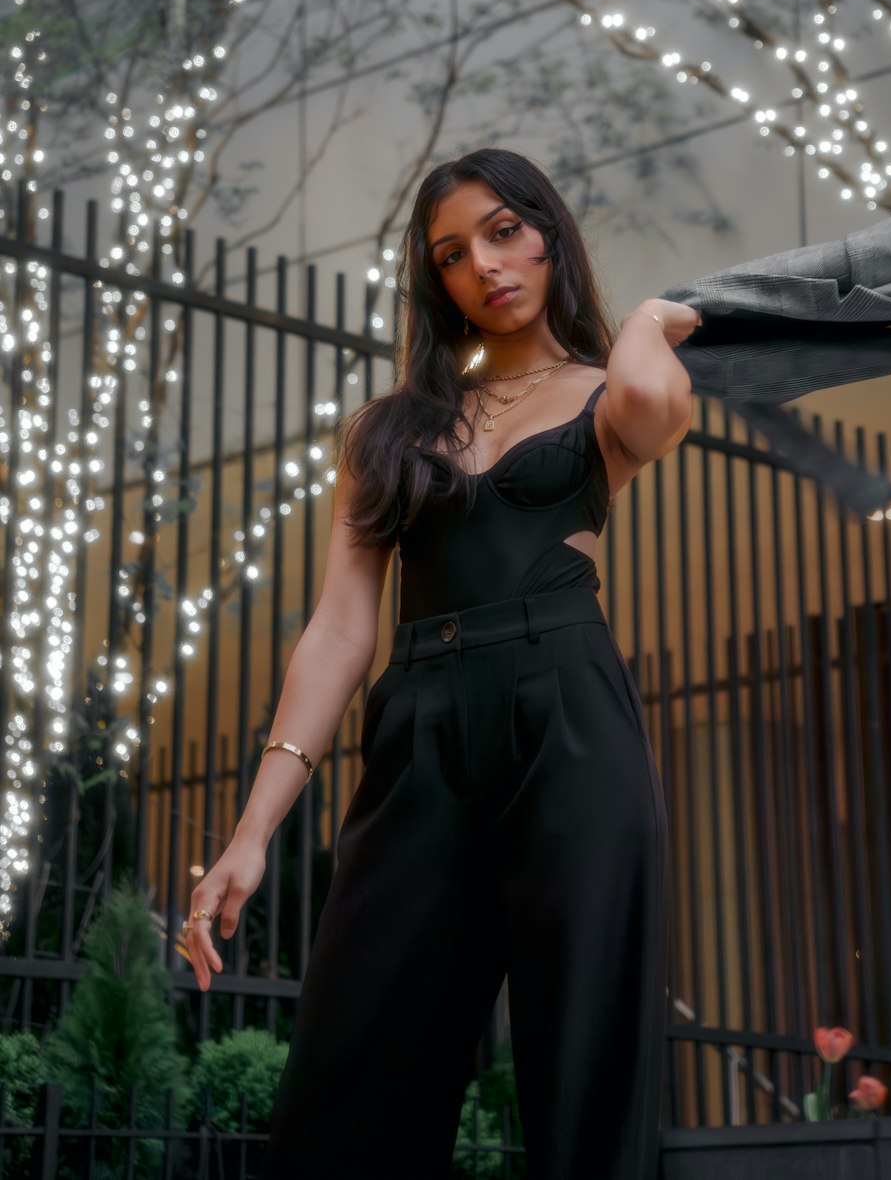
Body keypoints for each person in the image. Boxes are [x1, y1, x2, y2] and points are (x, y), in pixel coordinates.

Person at [180, 148, 699, 1179]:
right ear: (436, 281)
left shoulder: (606, 399)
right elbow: (338, 627)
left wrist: (642, 320)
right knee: (354, 1067)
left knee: (586, 1066)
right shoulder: (391, 431)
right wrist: (250, 833)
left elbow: (656, 402)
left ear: (548, 233)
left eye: (506, 231)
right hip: (415, 734)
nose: (485, 266)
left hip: (568, 726)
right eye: (453, 254)